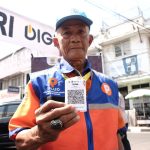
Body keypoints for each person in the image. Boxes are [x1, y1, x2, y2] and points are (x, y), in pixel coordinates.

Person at [9, 10, 125, 150]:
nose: (75, 39)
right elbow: (19, 140)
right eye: (67, 33)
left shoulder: (110, 85)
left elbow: (118, 133)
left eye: (81, 32)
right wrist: (39, 134)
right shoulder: (38, 83)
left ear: (89, 40)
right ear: (56, 42)